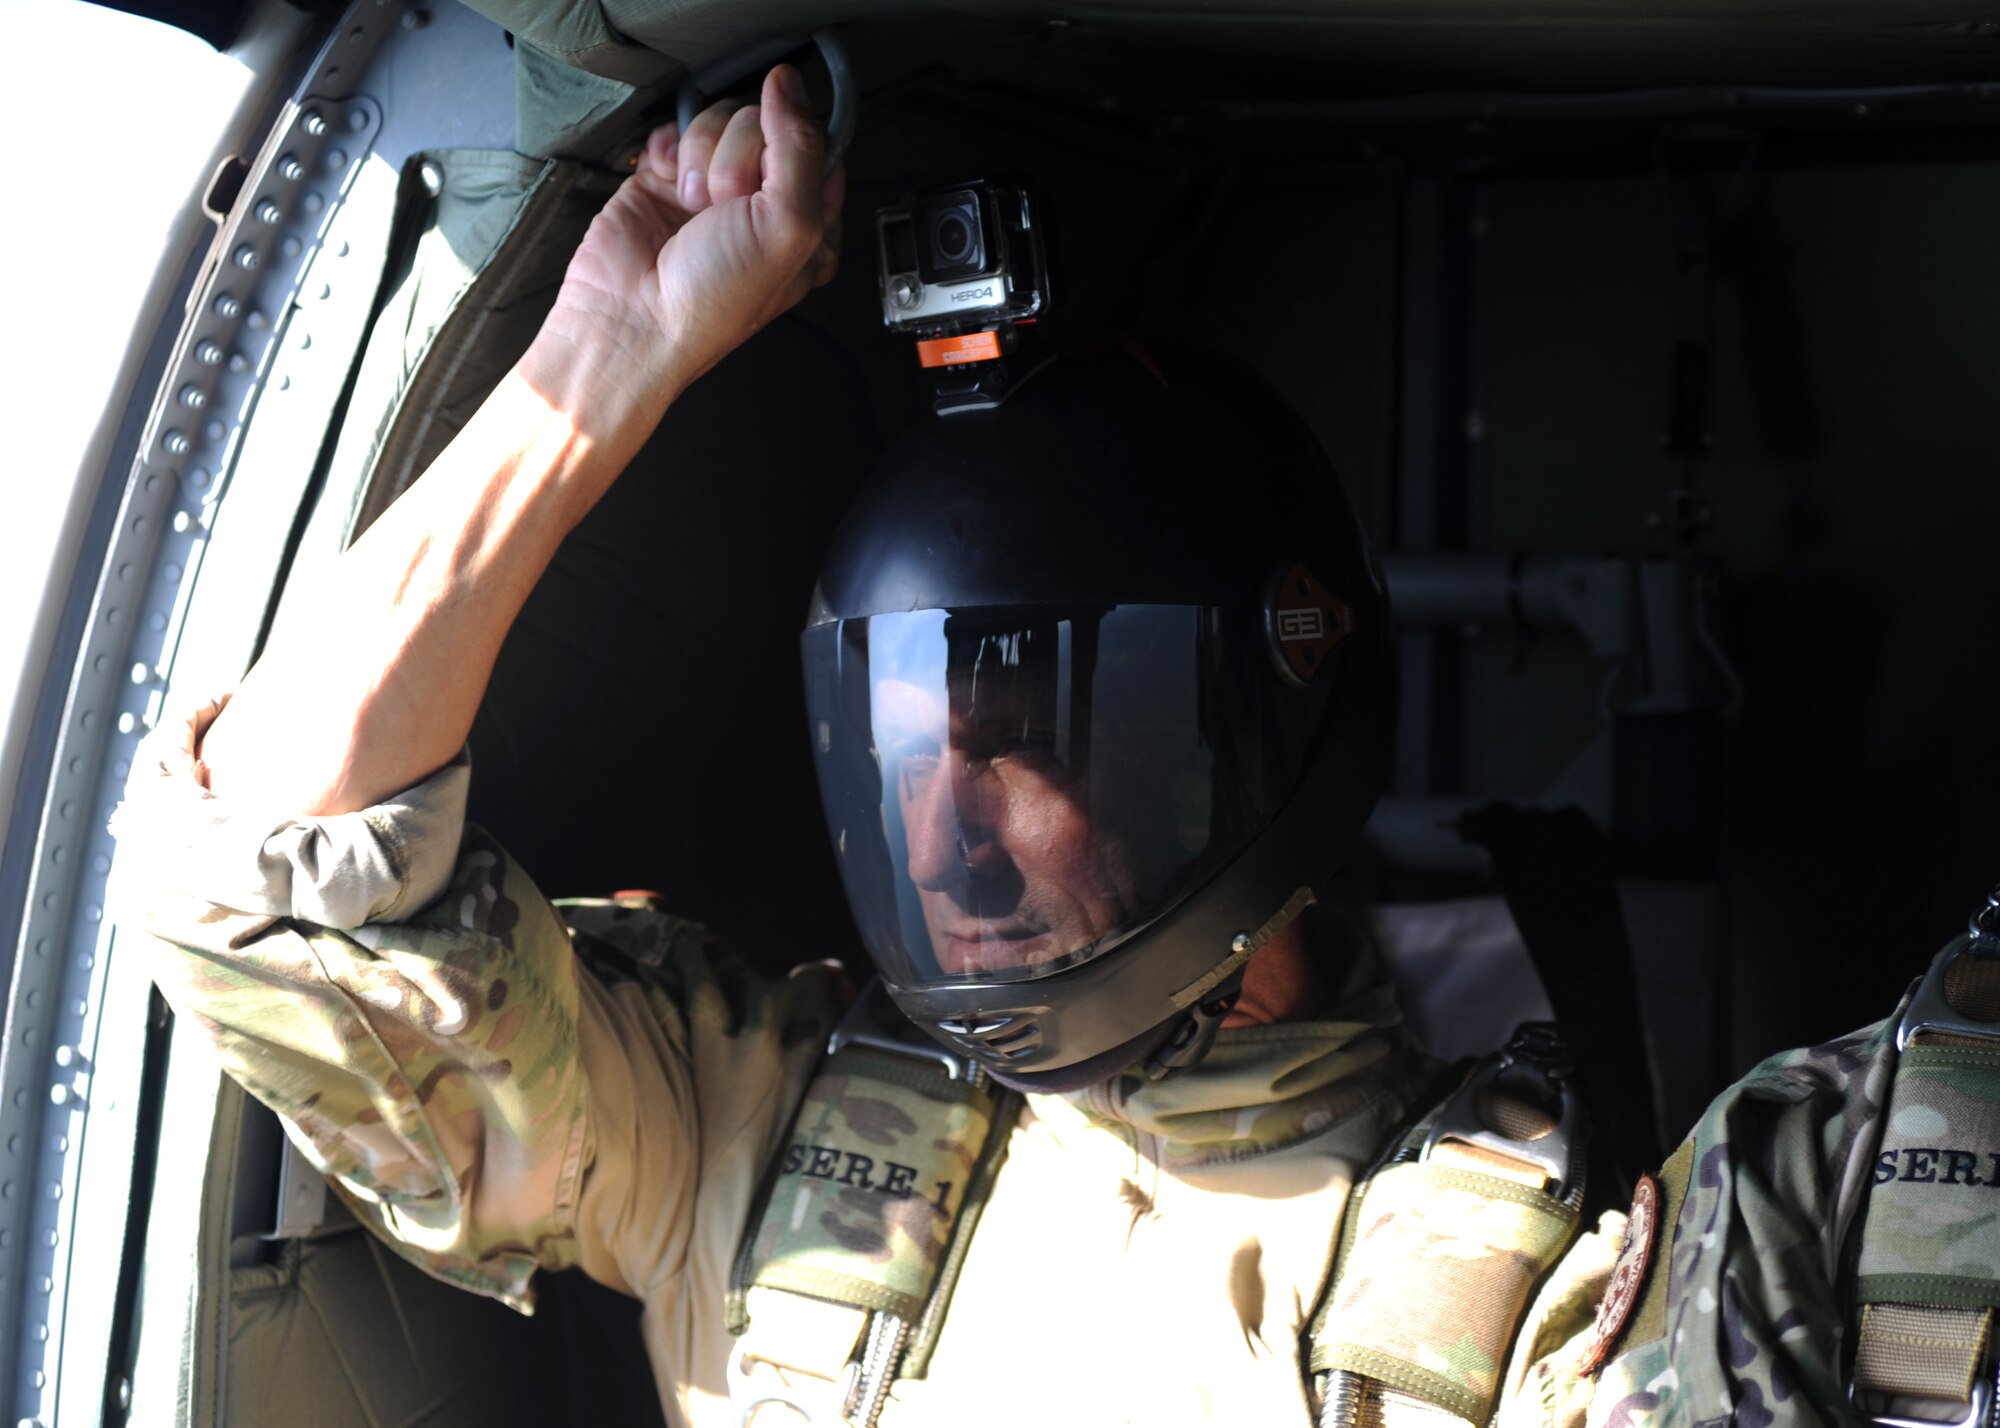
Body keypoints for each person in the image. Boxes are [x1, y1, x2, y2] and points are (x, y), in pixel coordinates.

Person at [108, 60, 1963, 1428]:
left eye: (1014, 737)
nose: (946, 829)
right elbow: (262, 878)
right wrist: (603, 359)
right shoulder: (748, 1136)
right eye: (903, 743)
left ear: (1228, 742)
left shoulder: (1520, 1319)